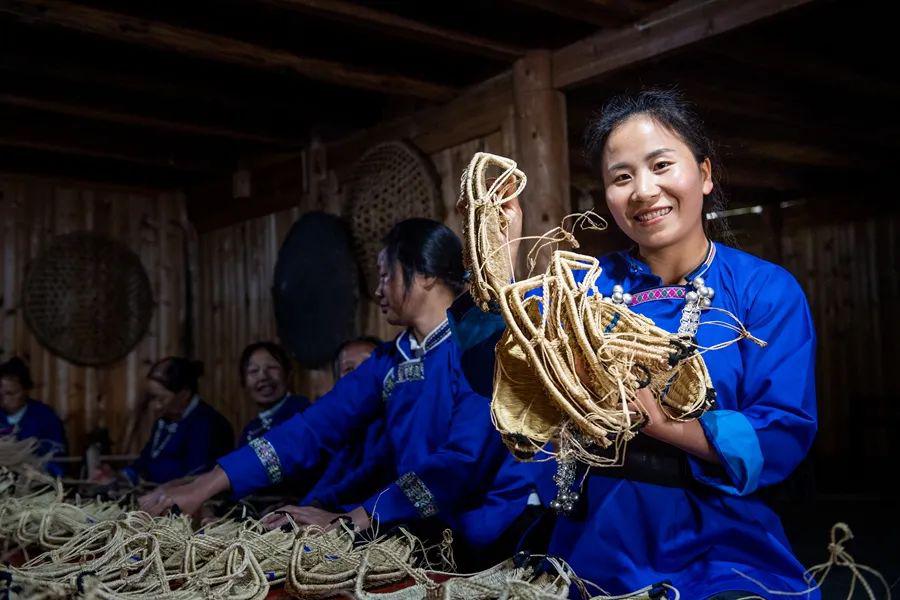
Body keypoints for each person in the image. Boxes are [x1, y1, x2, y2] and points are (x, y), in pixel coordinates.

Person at [501, 89, 818, 598]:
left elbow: (782, 433)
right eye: (621, 177)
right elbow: (505, 383)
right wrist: (495, 269)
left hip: (722, 544)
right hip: (594, 538)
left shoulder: (764, 291)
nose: (643, 190)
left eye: (661, 165)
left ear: (705, 174)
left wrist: (661, 419)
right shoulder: (585, 286)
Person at [141, 219, 535, 564]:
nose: (378, 290)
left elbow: (461, 460)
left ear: (425, 274)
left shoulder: (481, 346)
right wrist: (205, 485)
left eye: (386, 275)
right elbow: (313, 427)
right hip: (414, 527)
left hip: (490, 534)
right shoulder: (389, 361)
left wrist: (353, 519)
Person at [123, 357, 234, 485]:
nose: (154, 406)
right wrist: (124, 475)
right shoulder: (164, 421)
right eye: (151, 398)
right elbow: (147, 461)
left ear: (184, 393)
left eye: (160, 399)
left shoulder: (208, 424)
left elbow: (196, 474)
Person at [0, 356, 67, 477]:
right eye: (1, 394)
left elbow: (57, 458)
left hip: (34, 481)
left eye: (10, 393)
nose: (4, 399)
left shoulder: (45, 417)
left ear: (26, 390)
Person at [238, 341, 310, 446]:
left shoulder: (303, 414)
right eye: (253, 371)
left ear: (288, 375)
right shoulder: (251, 429)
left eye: (272, 368)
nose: (263, 376)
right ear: (244, 382)